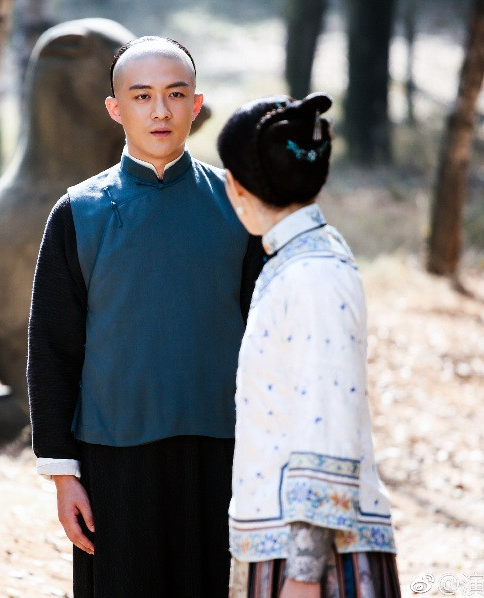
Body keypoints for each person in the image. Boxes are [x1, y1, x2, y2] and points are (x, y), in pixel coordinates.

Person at [27, 36, 264, 597]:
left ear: (196, 105)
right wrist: (63, 476)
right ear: (115, 108)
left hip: (222, 449)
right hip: (113, 457)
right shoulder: (79, 212)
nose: (160, 111)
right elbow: (52, 349)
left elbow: (266, 335)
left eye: (175, 94)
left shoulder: (238, 206)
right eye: (142, 96)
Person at [217, 92, 401, 597]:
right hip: (277, 539)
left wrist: (302, 573)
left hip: (317, 562)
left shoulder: (313, 274)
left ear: (235, 187)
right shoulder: (298, 259)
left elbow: (326, 424)